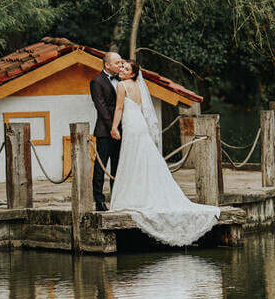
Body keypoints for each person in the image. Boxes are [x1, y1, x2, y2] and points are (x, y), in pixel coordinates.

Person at [109, 59, 220, 247]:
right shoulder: (138, 85)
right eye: (123, 67)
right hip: (140, 124)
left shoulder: (121, 85)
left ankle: (134, 196)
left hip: (130, 124)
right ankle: (145, 193)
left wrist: (114, 127)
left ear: (133, 74)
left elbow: (119, 108)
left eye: (126, 69)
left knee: (132, 159)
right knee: (142, 158)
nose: (122, 70)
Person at [89, 51, 123, 211]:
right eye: (117, 63)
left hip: (123, 130)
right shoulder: (96, 82)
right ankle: (99, 200)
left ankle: (117, 198)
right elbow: (101, 107)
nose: (120, 65)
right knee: (101, 166)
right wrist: (113, 128)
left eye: (121, 62)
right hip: (105, 131)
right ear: (107, 65)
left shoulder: (123, 80)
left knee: (118, 166)